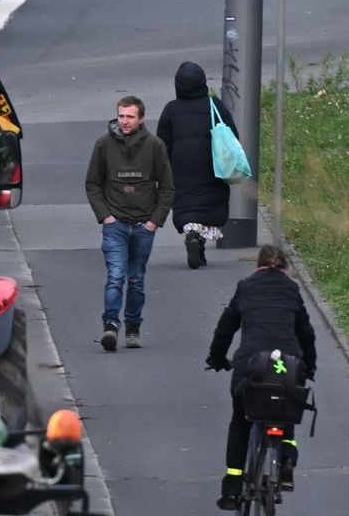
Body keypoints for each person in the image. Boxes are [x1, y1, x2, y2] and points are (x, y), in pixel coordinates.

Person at [207, 244, 318, 509]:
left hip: (251, 365)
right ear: (286, 268)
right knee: (285, 405)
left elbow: (225, 329)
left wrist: (217, 358)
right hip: (289, 364)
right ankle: (287, 458)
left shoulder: (246, 286)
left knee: (241, 420)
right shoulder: (292, 289)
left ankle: (232, 488)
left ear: (257, 265)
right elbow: (306, 334)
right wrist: (309, 367)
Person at [84, 94, 174, 351]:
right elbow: (93, 183)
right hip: (116, 225)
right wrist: (106, 217)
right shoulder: (103, 145)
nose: (124, 121)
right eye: (121, 115)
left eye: (130, 117)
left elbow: (167, 187)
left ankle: (133, 327)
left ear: (141, 119)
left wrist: (154, 222)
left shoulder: (155, 146)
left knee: (136, 278)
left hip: (143, 226)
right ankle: (110, 326)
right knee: (115, 276)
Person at [157, 61, 236, 267]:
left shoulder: (171, 109)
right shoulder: (214, 105)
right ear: (202, 82)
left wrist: (162, 169)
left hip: (181, 166)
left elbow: (161, 143)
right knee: (209, 205)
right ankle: (199, 241)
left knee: (186, 204)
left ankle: (191, 234)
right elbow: (232, 135)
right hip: (212, 166)